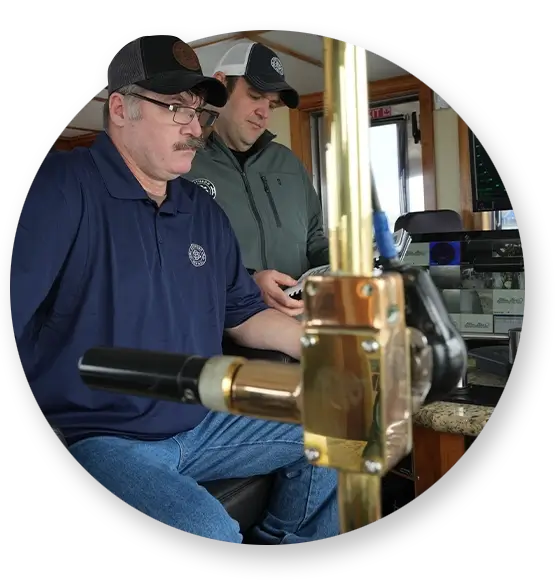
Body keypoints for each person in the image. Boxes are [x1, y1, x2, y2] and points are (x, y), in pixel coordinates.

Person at [10, 34, 338, 545]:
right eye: (174, 108)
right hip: (104, 436)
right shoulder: (58, 188)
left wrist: (329, 347)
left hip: (202, 419)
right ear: (120, 109)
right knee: (211, 530)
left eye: (199, 112)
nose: (194, 126)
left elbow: (244, 314)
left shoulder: (202, 212)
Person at [186, 41, 329, 318]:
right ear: (221, 85)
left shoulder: (288, 164)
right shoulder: (184, 164)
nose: (264, 113)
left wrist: (343, 266)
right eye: (254, 96)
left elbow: (314, 238)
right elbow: (182, 257)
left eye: (272, 104)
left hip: (303, 327)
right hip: (226, 335)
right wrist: (247, 283)